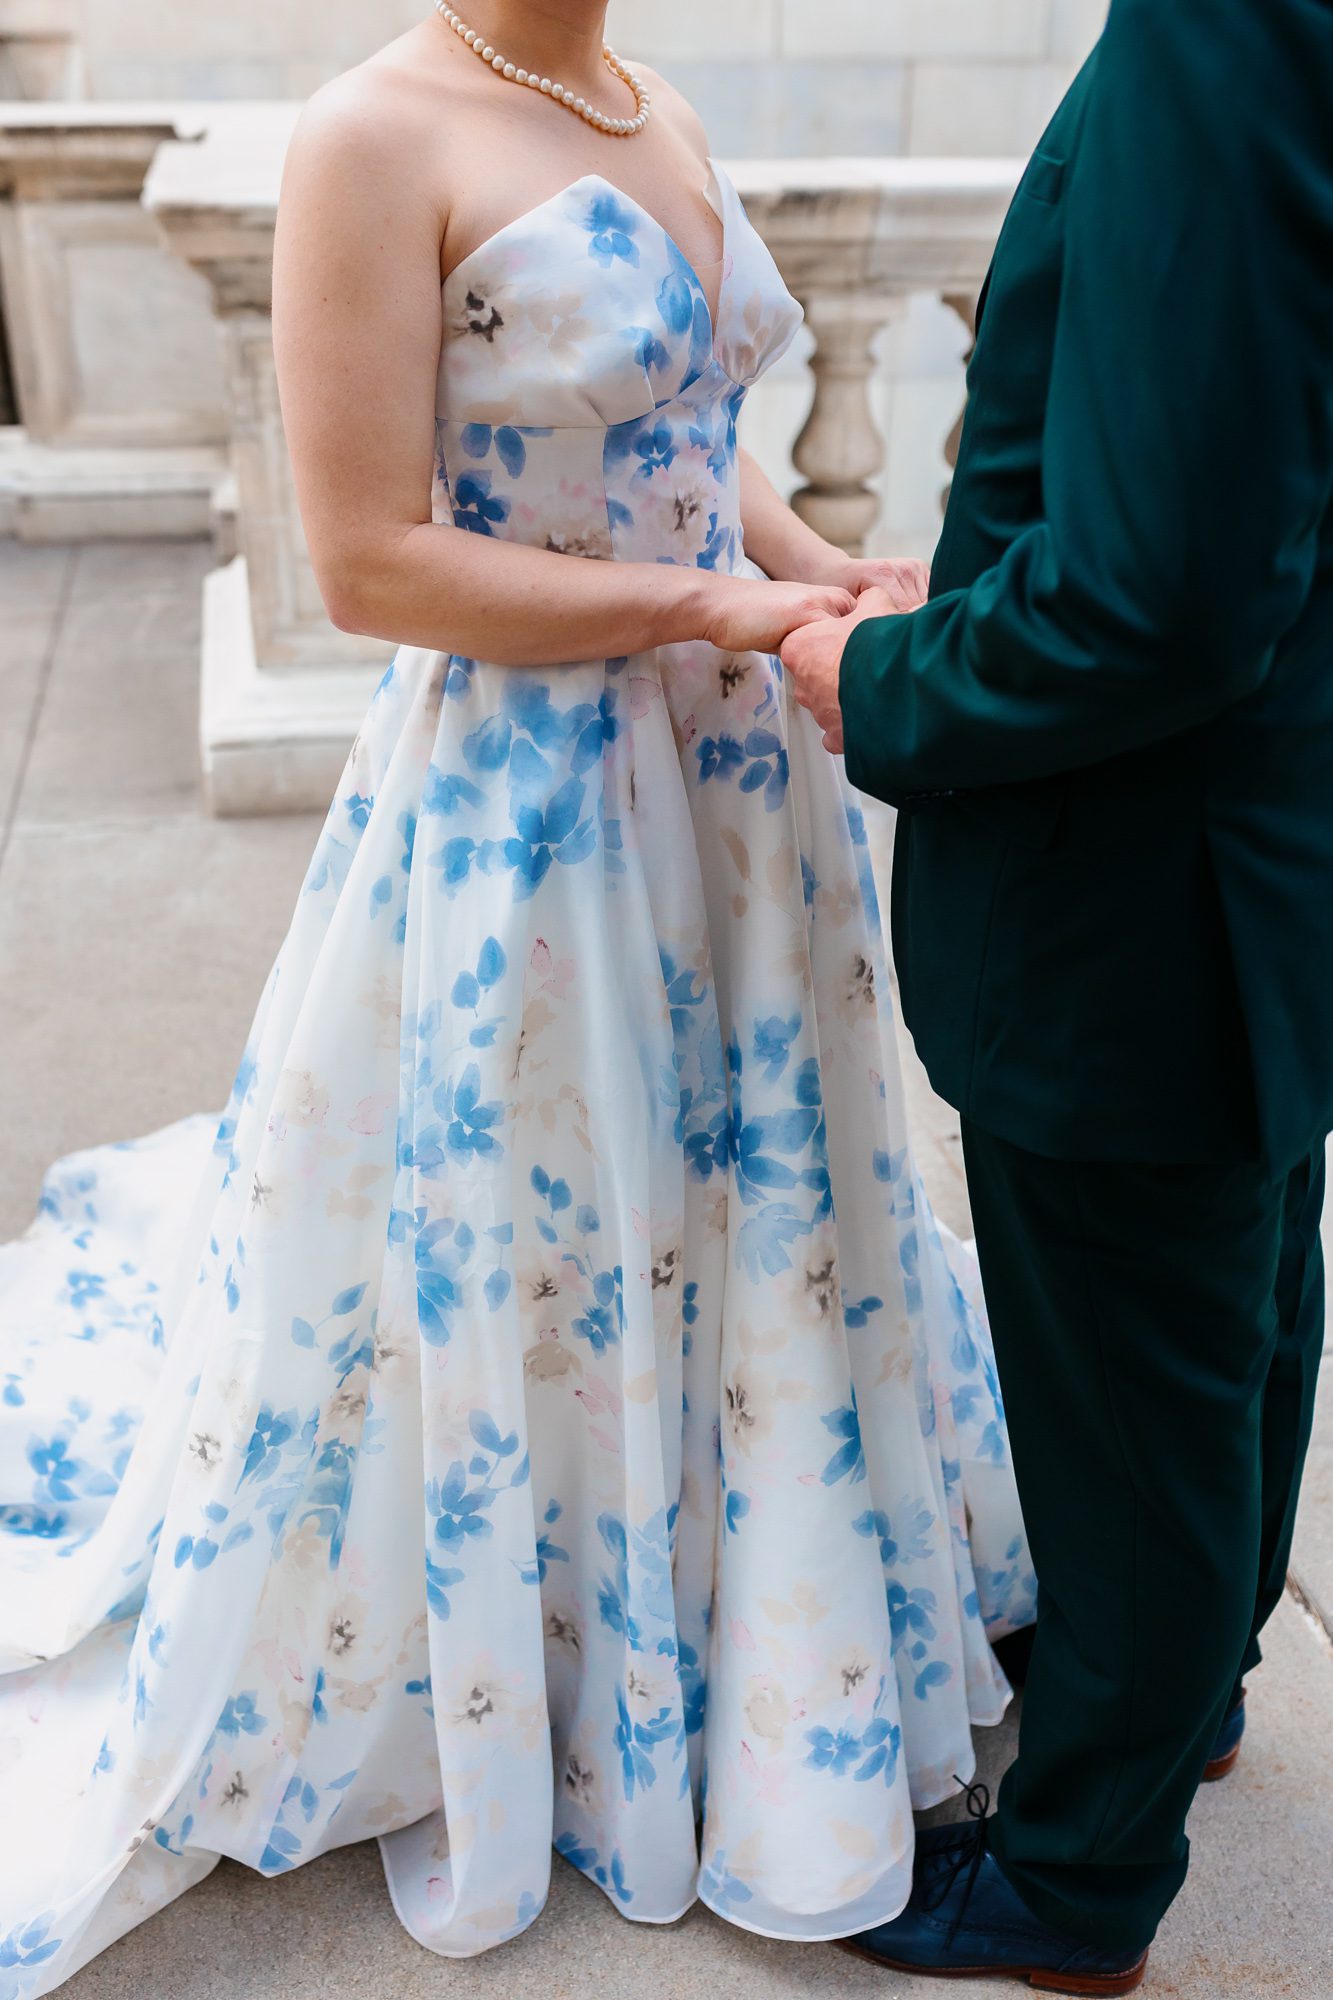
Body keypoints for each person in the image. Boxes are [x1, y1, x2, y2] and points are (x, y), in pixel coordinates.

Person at [0, 5, 1036, 1990]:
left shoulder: (656, 105)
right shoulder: (372, 134)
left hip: (729, 798)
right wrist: (702, 613)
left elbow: (693, 457)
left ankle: (746, 1607)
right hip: (528, 814)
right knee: (554, 1235)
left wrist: (821, 579)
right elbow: (371, 561)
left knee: (745, 1211)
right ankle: (558, 1657)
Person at [783, 1, 1333, 1992]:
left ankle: (1076, 1875)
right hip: (1270, 831)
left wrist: (896, 686)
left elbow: (1154, 588)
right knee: (1246, 1294)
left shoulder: (1228, 19)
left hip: (1141, 875)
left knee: (1139, 1373)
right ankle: (1184, 1694)